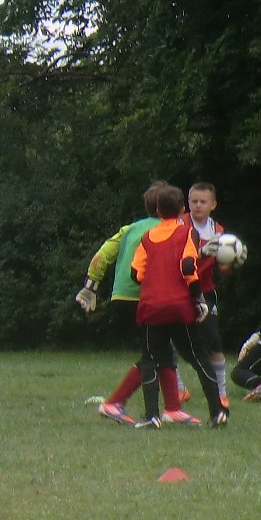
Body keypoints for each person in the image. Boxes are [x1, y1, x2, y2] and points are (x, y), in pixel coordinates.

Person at [129, 182, 228, 427]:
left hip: (152, 307)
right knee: (198, 357)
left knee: (151, 359)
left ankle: (152, 416)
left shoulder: (146, 237)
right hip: (180, 306)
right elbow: (188, 266)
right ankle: (217, 412)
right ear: (182, 208)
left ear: (158, 211)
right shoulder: (187, 233)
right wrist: (198, 298)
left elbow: (135, 274)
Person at [77, 181, 175, 424]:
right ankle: (115, 403)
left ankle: (174, 408)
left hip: (121, 298)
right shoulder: (170, 229)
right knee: (153, 353)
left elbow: (102, 255)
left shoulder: (129, 229)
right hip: (147, 298)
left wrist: (91, 287)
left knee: (160, 351)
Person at [181, 181, 239, 406]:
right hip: (180, 288)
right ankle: (177, 390)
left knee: (214, 341)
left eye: (202, 201)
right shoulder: (181, 225)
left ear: (213, 205)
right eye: (193, 201)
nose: (197, 205)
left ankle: (221, 393)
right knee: (170, 339)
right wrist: (200, 253)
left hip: (205, 291)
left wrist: (233, 262)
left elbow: (222, 268)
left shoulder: (219, 231)